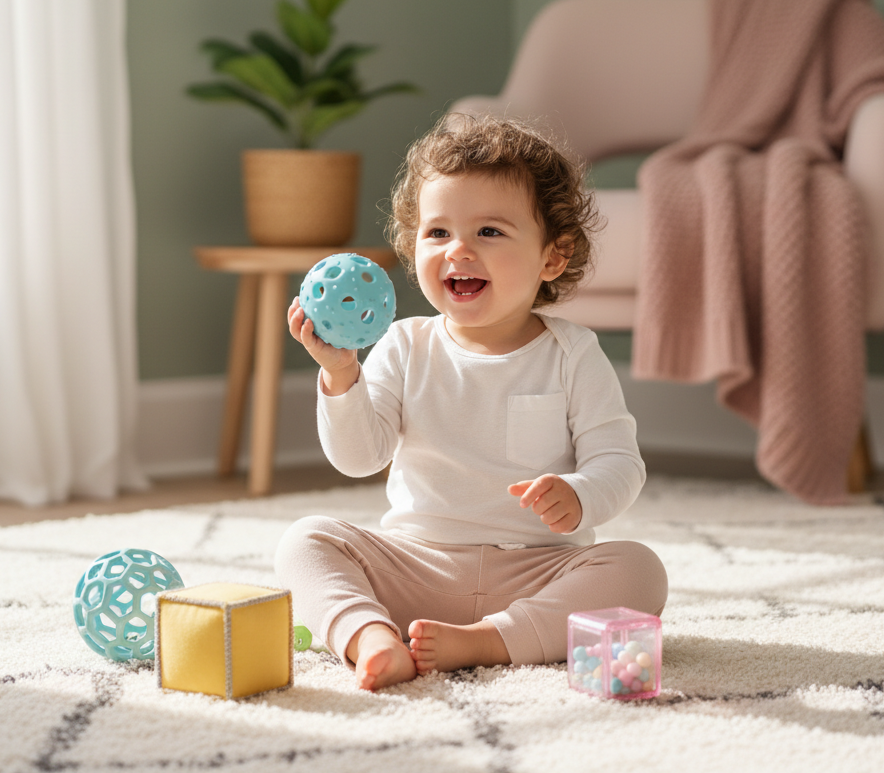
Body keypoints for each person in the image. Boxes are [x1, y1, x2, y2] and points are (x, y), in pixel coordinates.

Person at [275, 114, 668, 691]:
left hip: (536, 570)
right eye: (438, 233)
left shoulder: (573, 353)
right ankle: (372, 637)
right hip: (416, 565)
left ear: (552, 258)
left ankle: (489, 639)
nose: (458, 250)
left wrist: (579, 496)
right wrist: (341, 375)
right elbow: (359, 457)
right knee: (305, 541)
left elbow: (619, 461)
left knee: (639, 569)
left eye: (489, 232)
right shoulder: (404, 344)